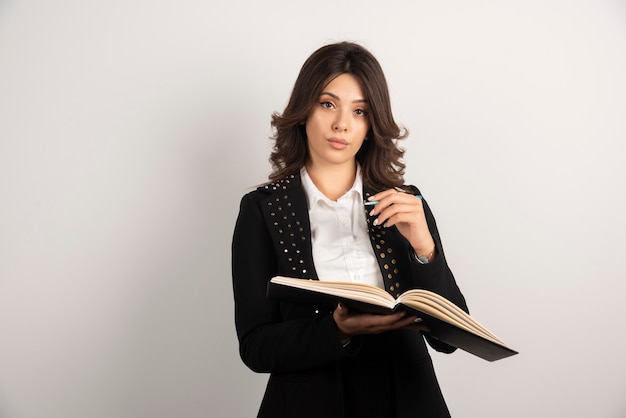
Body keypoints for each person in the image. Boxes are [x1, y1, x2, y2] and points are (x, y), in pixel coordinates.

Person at [231, 41, 468, 418]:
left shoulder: (406, 204)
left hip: (406, 397)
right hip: (308, 402)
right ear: (304, 109)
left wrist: (424, 247)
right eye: (328, 104)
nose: (342, 123)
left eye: (360, 111)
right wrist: (336, 329)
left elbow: (450, 340)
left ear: (372, 126)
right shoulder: (262, 210)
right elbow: (256, 347)